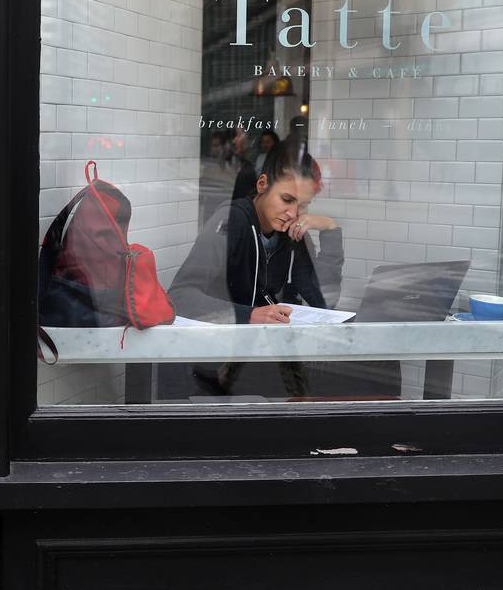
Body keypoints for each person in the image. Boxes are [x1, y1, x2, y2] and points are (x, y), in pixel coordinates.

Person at [159, 142, 393, 400]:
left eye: (303, 205)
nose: (293, 213)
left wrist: (329, 230)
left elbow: (323, 299)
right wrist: (250, 315)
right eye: (287, 199)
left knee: (376, 362)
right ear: (262, 185)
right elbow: (179, 296)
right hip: (218, 360)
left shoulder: (289, 231)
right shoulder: (230, 221)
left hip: (260, 354)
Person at [199, 127, 257, 226]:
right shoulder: (214, 166)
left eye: (238, 136)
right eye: (231, 139)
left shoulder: (248, 169)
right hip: (217, 219)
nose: (234, 141)